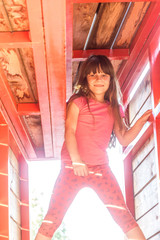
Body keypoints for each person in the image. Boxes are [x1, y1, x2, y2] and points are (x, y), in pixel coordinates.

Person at [35, 55, 152, 240]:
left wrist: (141, 122)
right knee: (53, 217)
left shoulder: (113, 107)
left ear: (110, 80)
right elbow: (69, 131)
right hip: (71, 167)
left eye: (104, 75)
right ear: (85, 79)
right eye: (93, 75)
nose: (99, 79)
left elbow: (123, 138)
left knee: (122, 214)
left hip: (100, 168)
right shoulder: (77, 102)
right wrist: (77, 161)